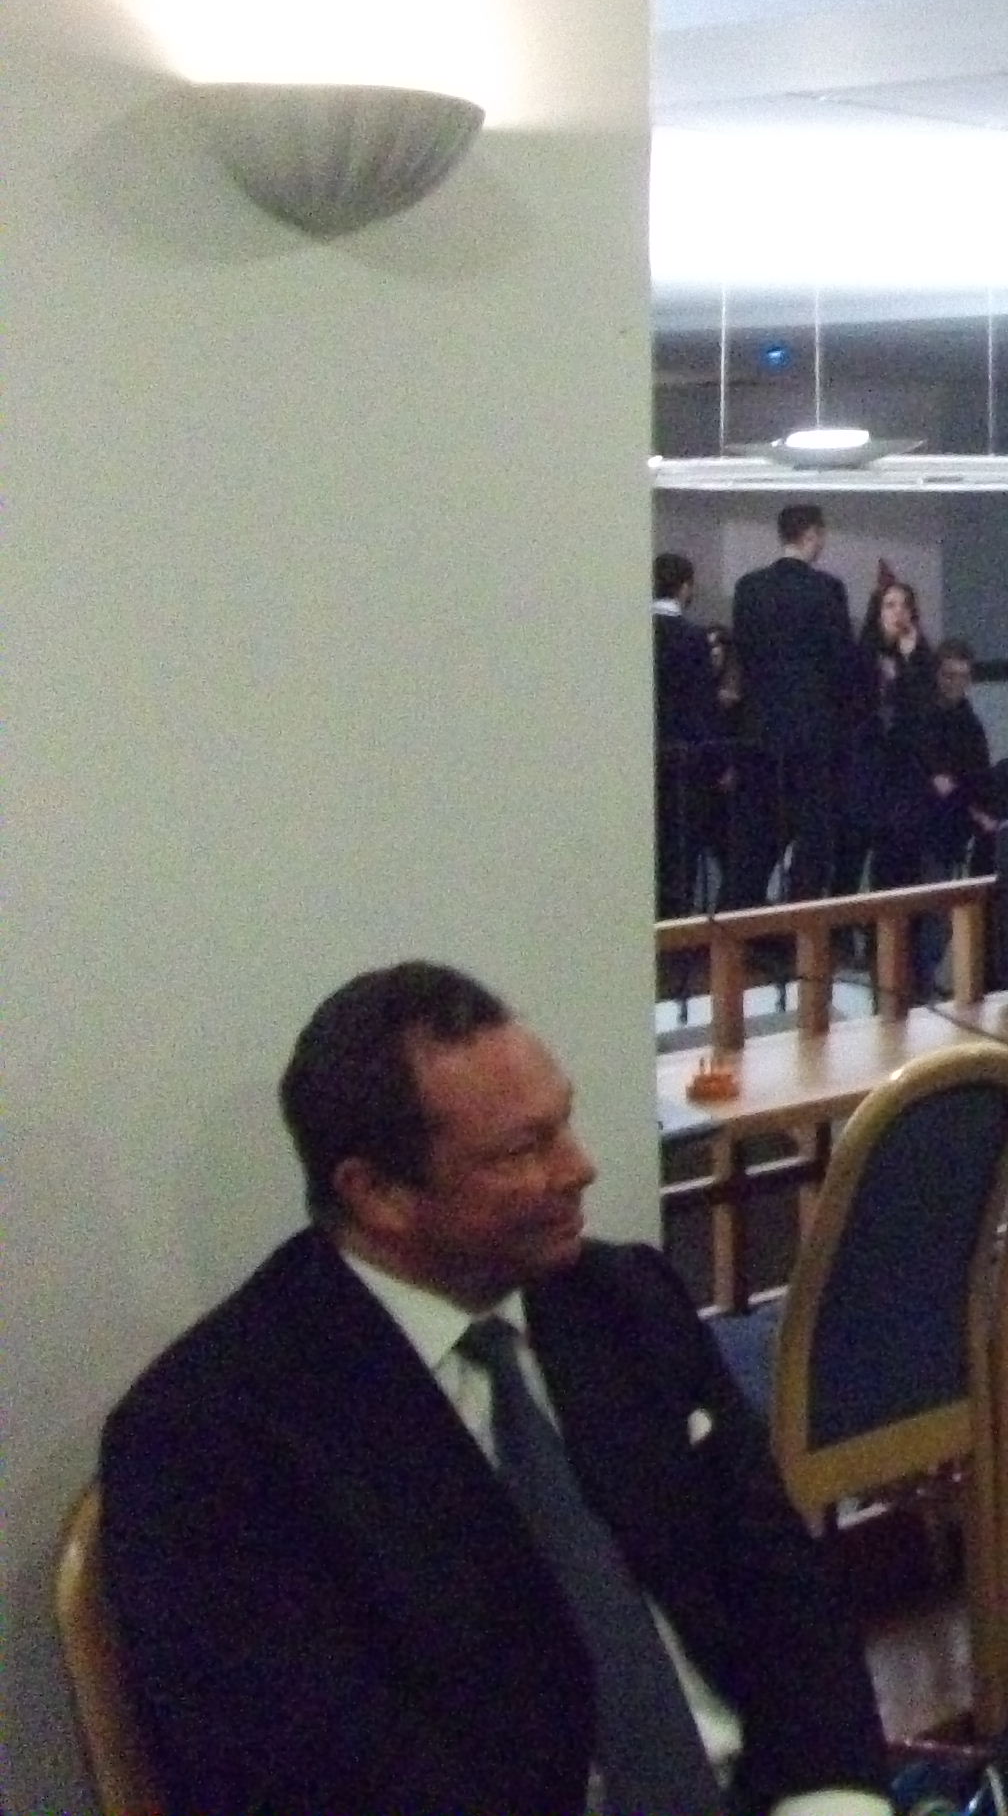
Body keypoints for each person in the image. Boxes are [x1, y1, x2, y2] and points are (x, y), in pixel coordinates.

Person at [98, 962, 889, 1816]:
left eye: (563, 1123)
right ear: (376, 1193)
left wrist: (832, 1800)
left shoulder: (621, 1303)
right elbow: (316, 1775)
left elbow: (783, 1590)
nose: (580, 1167)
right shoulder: (214, 1437)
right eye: (522, 1151)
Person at [727, 502, 856, 906]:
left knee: (754, 842)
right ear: (812, 534)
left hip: (759, 732)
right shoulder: (827, 589)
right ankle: (804, 928)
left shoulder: (749, 588)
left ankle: (743, 928)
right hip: (812, 733)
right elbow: (840, 663)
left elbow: (743, 654)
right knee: (813, 840)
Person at [850, 573, 937, 886]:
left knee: (900, 858)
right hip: (866, 767)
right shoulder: (861, 657)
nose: (898, 612)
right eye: (890, 605)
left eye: (905, 606)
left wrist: (910, 661)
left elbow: (923, 712)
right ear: (878, 612)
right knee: (854, 855)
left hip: (904, 770)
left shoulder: (921, 659)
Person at [653, 553, 725, 916]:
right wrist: (718, 764)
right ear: (684, 587)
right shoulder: (691, 637)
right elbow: (701, 708)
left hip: (647, 758)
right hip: (683, 763)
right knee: (679, 859)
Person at [905, 638, 994, 878]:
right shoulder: (916, 717)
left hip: (951, 825)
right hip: (916, 823)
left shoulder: (970, 725)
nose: (956, 683)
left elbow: (978, 774)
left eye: (963, 677)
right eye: (949, 676)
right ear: (936, 675)